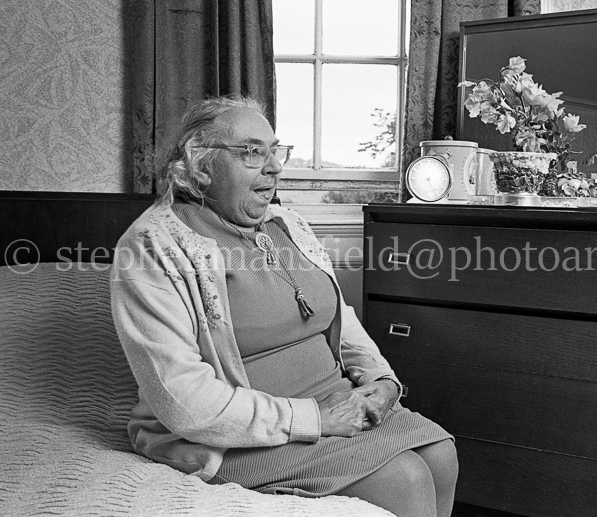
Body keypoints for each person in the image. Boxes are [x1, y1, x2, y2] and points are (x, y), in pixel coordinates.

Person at [110, 96, 457, 517]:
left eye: (276, 151)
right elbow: (182, 399)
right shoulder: (152, 246)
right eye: (253, 152)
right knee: (406, 478)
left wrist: (382, 381)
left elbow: (339, 318)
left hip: (333, 403)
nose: (274, 166)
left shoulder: (289, 224)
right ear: (201, 167)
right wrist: (314, 418)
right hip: (235, 435)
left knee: (441, 454)